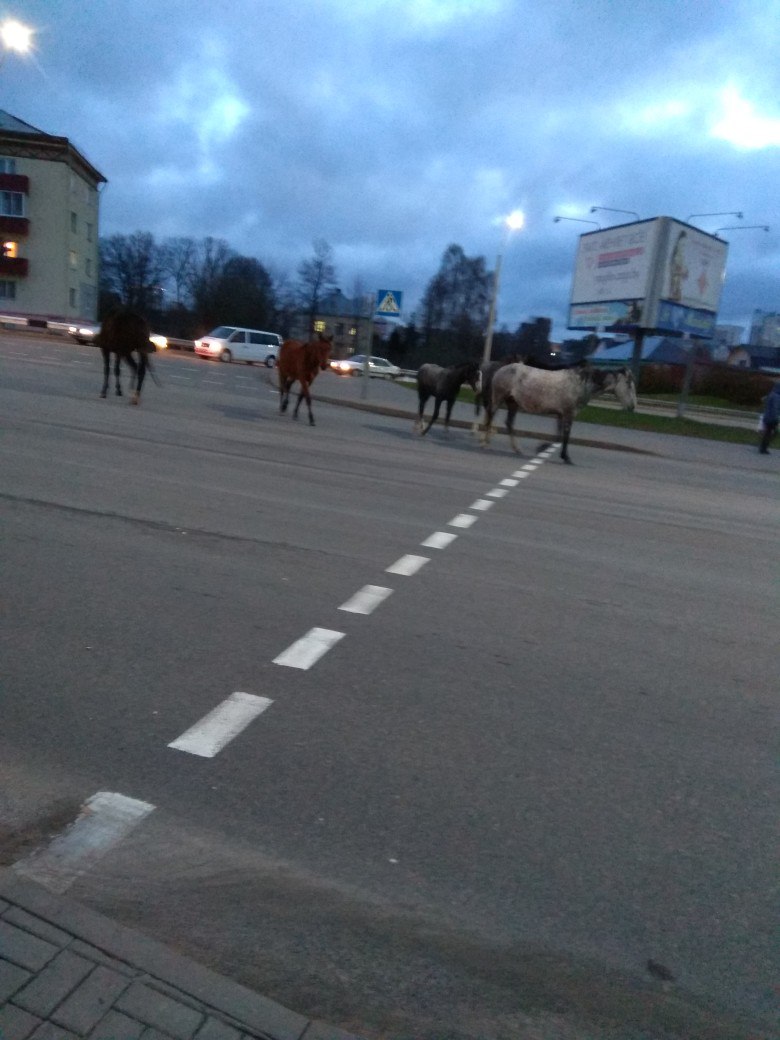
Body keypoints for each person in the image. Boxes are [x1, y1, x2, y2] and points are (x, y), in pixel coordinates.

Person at [758, 380, 780, 454]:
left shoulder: (771, 394)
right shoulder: (777, 397)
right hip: (772, 417)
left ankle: (763, 447)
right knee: (774, 432)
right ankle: (764, 446)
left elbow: (763, 400)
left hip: (766, 416)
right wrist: (776, 418)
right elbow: (775, 408)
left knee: (768, 432)